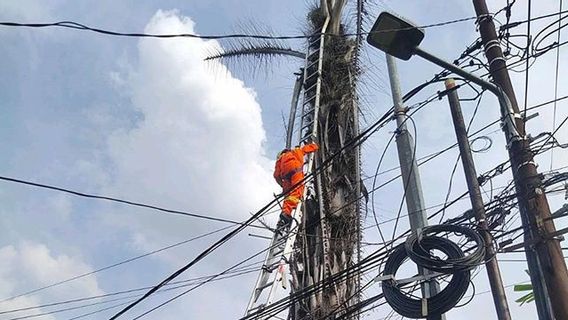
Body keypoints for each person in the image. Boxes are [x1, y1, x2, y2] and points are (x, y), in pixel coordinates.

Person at [273, 142, 319, 230]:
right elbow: (305, 149)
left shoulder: (279, 161)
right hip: (295, 171)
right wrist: (315, 146)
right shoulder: (294, 151)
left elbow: (276, 175)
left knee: (288, 196)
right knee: (297, 192)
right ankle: (286, 213)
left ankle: (285, 213)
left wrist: (282, 184)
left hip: (286, 178)